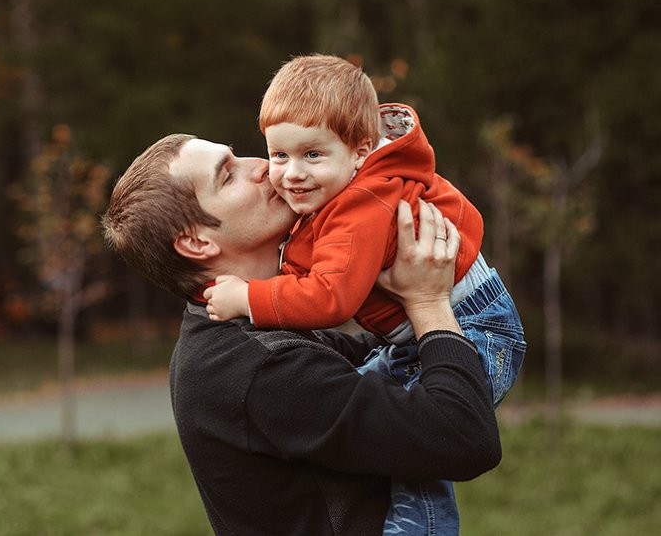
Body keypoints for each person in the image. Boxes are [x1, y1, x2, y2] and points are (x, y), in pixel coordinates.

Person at [101, 133, 502, 535]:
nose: (262, 166)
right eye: (228, 175)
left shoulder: (238, 331)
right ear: (196, 242)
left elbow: (392, 361)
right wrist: (428, 302)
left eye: (239, 156)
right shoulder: (263, 368)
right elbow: (463, 437)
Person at [204, 54, 526, 535]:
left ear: (359, 151)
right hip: (424, 331)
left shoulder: (361, 204)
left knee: (418, 445)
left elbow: (331, 299)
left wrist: (248, 298)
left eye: (312, 155)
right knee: (372, 413)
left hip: (472, 328)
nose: (291, 173)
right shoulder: (337, 194)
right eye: (279, 155)